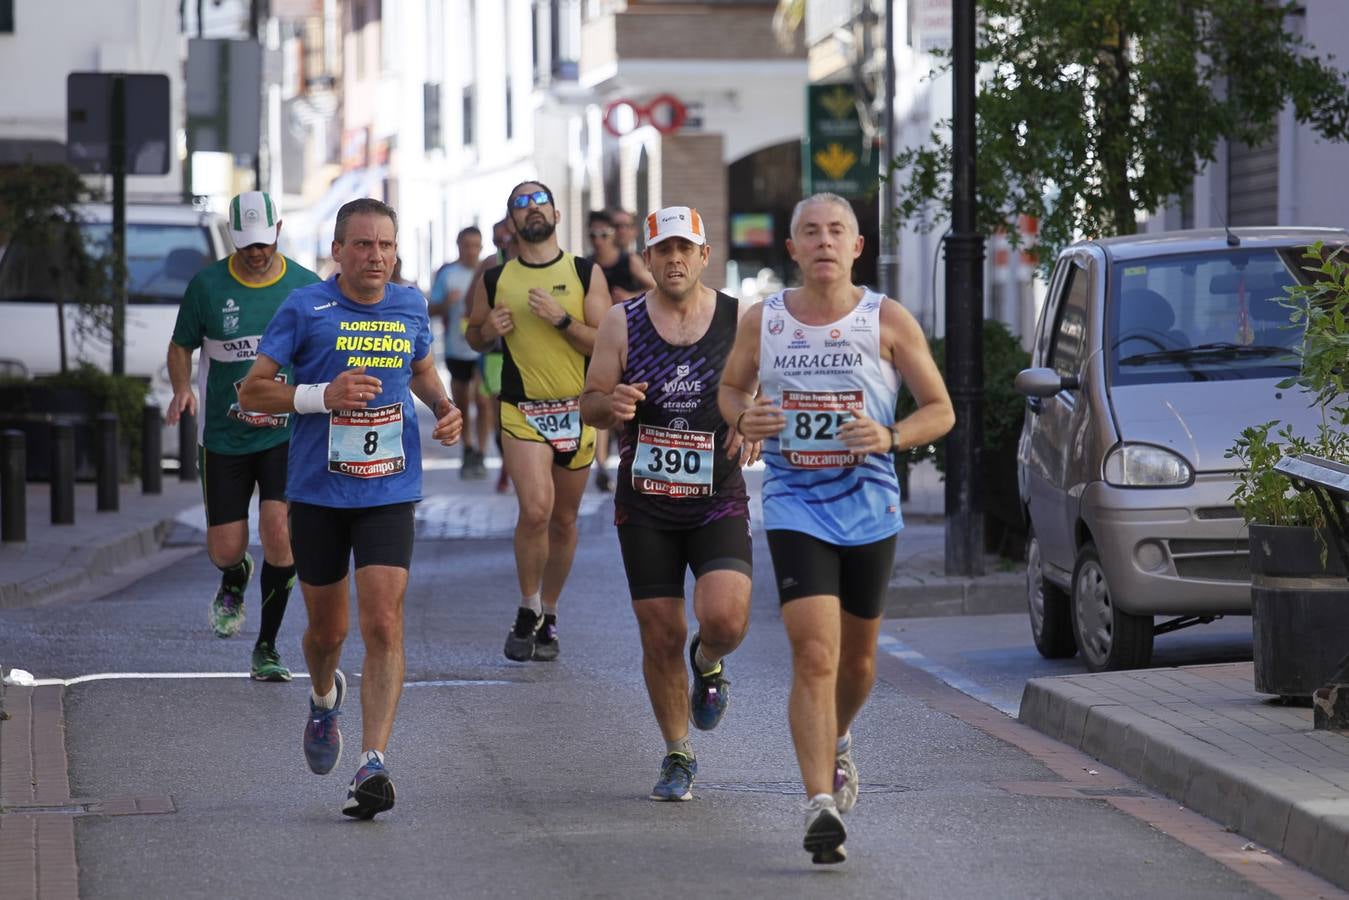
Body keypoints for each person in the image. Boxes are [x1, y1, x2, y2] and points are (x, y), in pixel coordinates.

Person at [718, 192, 955, 864]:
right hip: (795, 503)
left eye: (836, 231)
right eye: (809, 232)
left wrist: (888, 433)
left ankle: (838, 736)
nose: (823, 242)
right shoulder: (763, 321)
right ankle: (818, 801)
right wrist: (744, 417)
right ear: (791, 249)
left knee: (857, 662)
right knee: (814, 656)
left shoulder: (885, 319)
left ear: (856, 247)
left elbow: (939, 410)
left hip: (869, 505)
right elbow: (731, 390)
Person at [238, 197, 463, 820]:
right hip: (316, 492)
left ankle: (372, 763)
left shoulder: (410, 303)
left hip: (389, 490)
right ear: (337, 251)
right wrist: (321, 395)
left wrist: (443, 407)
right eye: (363, 245)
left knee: (385, 624)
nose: (376, 256)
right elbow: (254, 387)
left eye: (386, 245)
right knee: (326, 633)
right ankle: (321, 695)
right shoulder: (304, 307)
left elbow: (419, 366)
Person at [581, 206, 757, 802]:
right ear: (649, 259)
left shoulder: (739, 318)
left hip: (716, 497)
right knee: (659, 632)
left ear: (705, 255)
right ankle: (678, 751)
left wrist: (752, 419)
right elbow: (590, 404)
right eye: (664, 251)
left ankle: (707, 662)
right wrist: (615, 404)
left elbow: (767, 385)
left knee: (726, 619)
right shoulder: (621, 322)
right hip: (647, 502)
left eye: (686, 249)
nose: (675, 259)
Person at [166, 190, 320, 681]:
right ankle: (234, 577)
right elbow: (181, 346)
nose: (257, 252)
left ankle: (267, 647)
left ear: (277, 232)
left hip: (285, 435)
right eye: (246, 244)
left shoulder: (303, 287)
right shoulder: (208, 287)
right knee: (226, 548)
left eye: (263, 242)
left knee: (279, 533)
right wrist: (181, 389)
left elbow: (327, 346)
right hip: (224, 438)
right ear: (234, 239)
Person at [466, 181, 610, 662]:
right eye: (521, 204)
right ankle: (527, 607)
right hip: (522, 410)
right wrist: (489, 330)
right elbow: (473, 335)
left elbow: (607, 344)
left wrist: (562, 321)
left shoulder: (584, 273)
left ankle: (549, 613)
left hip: (578, 408)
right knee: (536, 511)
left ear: (556, 213)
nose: (532, 209)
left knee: (565, 520)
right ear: (510, 221)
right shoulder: (495, 277)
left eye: (539, 201)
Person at [585, 209, 656, 494]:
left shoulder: (630, 262)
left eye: (604, 234)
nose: (599, 240)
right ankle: (601, 467)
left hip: (634, 342)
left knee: (624, 410)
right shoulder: (587, 266)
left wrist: (630, 299)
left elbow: (656, 288)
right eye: (594, 235)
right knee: (603, 401)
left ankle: (628, 459)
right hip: (600, 342)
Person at [428, 226, 490, 479]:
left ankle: (482, 453)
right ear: (458, 246)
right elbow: (431, 309)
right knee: (462, 401)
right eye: (467, 245)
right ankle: (467, 447)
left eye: (476, 245)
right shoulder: (448, 274)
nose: (471, 251)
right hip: (456, 348)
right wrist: (446, 303)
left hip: (483, 348)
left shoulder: (487, 272)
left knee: (484, 401)